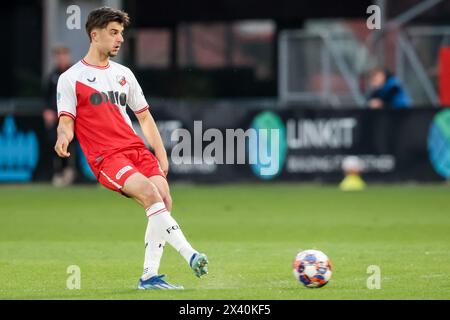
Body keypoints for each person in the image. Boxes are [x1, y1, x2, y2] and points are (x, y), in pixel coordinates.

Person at [54, 7, 208, 290]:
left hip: (136, 149)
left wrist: (161, 155)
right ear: (94, 34)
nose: (120, 39)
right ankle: (191, 255)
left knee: (164, 198)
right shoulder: (70, 78)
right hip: (107, 157)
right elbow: (66, 120)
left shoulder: (124, 74)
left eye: (121, 33)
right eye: (114, 33)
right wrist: (63, 137)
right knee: (150, 194)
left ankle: (149, 277)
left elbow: (144, 117)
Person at [43, 45, 76, 186]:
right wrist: (47, 111)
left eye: (64, 55)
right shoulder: (52, 76)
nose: (61, 58)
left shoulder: (74, 73)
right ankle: (59, 171)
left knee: (71, 143)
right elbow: (46, 97)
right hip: (56, 116)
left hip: (71, 115)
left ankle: (70, 170)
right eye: (59, 56)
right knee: (54, 141)